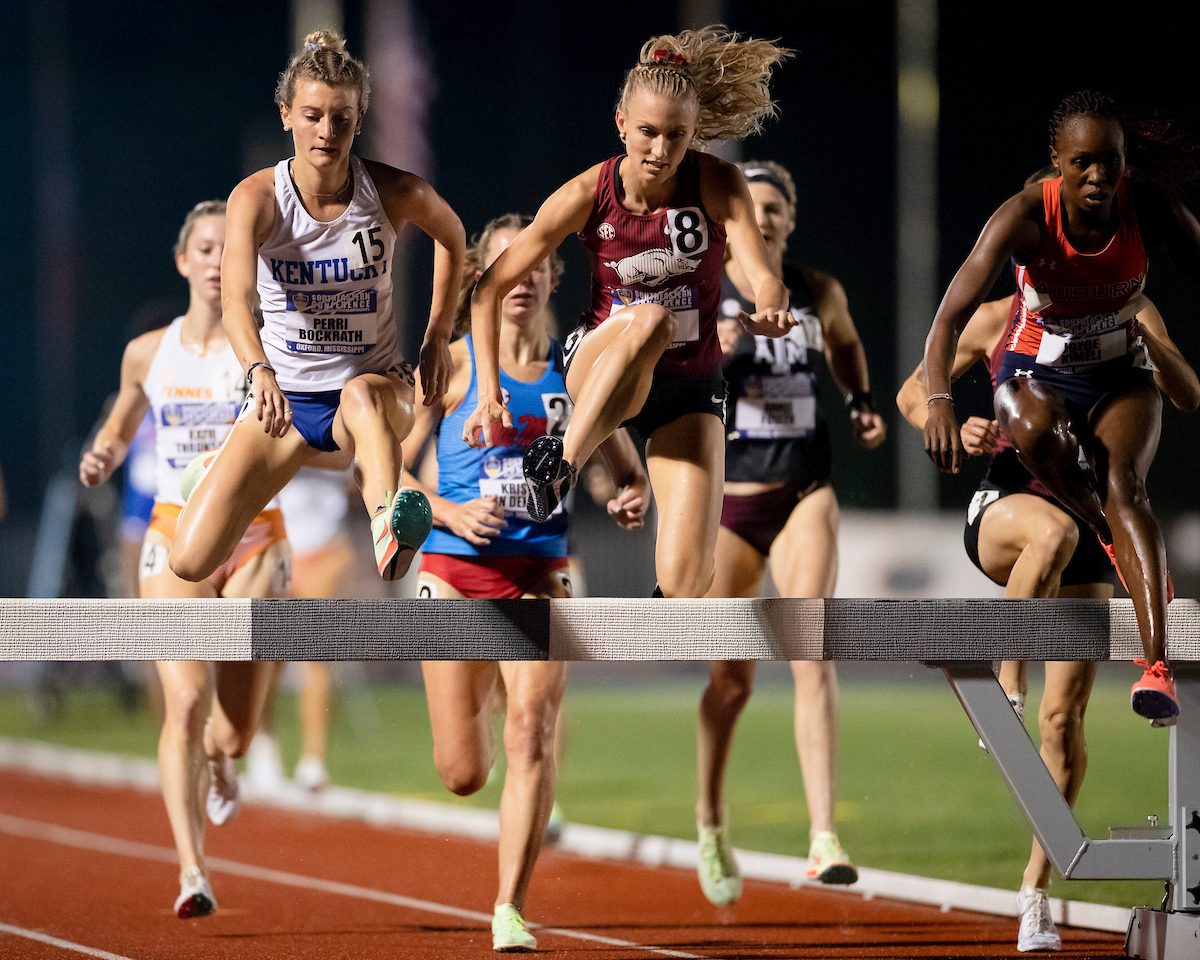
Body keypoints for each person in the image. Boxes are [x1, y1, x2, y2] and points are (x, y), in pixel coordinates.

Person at [899, 287, 1197, 951]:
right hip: (1012, 503)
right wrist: (946, 418)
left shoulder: (1133, 306)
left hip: (1100, 526)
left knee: (1063, 723)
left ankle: (1035, 891)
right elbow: (912, 392)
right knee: (1050, 536)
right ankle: (1007, 687)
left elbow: (1186, 389)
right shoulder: (999, 316)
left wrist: (1149, 349)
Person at [464, 27, 794, 620]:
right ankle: (560, 463)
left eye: (677, 136)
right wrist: (486, 394)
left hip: (686, 391)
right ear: (621, 124)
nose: (660, 151)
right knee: (650, 320)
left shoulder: (717, 183)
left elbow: (763, 272)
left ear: (695, 136)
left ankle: (575, 478)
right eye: (647, 132)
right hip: (601, 364)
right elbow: (487, 290)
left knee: (690, 580)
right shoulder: (587, 193)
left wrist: (771, 302)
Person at [403, 214, 649, 951]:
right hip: (452, 569)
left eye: (535, 266)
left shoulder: (571, 377)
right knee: (461, 772)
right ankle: (468, 706)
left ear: (549, 278)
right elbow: (394, 481)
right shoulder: (450, 366)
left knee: (530, 730)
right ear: (485, 278)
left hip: (541, 571)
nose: (523, 279)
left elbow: (625, 473)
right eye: (507, 267)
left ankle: (509, 905)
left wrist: (624, 496)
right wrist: (448, 508)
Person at [922, 89, 1200, 723]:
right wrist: (938, 401)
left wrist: (1158, 349)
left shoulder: (1148, 208)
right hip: (1040, 381)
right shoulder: (1023, 216)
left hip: (1118, 377)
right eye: (1082, 163)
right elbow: (946, 321)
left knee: (1127, 485)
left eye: (1110, 162)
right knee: (1025, 418)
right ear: (1057, 162)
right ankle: (1104, 530)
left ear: (1125, 162)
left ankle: (1156, 670)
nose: (1098, 177)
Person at [168, 30, 465, 587]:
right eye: (312, 116)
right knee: (189, 561)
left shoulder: (391, 190)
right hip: (287, 401)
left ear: (360, 118)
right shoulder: (256, 198)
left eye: (341, 118)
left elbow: (452, 235)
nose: (327, 131)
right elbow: (236, 299)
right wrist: (259, 373)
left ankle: (389, 523)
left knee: (358, 396)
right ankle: (230, 474)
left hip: (374, 395)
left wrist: (436, 336)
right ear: (286, 116)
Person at [79, 201, 291, 918]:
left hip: (255, 534)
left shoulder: (265, 346)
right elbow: (121, 418)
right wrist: (105, 450)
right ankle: (192, 870)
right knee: (185, 700)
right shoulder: (148, 351)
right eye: (203, 248)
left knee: (232, 730)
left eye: (225, 250)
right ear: (183, 260)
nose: (213, 260)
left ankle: (222, 756)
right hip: (173, 536)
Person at [692, 160, 886, 906]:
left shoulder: (818, 291)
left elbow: (843, 341)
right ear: (730, 219)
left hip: (805, 488)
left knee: (811, 650)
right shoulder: (710, 290)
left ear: (790, 218)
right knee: (731, 680)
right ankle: (710, 820)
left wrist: (861, 399)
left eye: (774, 207)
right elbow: (688, 374)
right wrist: (731, 340)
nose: (762, 218)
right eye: (750, 206)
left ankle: (823, 834)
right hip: (730, 504)